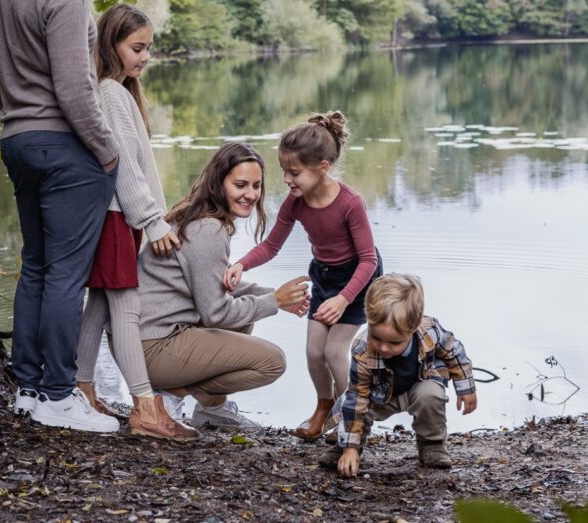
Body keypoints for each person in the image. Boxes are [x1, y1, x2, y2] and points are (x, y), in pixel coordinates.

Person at [0, 0, 120, 432]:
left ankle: (29, 390)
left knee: (35, 267)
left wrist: (18, 117)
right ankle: (60, 395)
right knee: (65, 275)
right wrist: (107, 150)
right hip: (65, 147)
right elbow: (75, 88)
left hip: (18, 139)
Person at [72, 4, 197, 442]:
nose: (145, 57)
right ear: (112, 46)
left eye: (148, 48)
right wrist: (152, 220)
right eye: (137, 48)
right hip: (117, 215)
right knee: (126, 306)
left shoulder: (120, 92)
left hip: (119, 216)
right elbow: (122, 164)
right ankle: (144, 407)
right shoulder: (110, 92)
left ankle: (82, 388)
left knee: (100, 304)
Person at [223, 112, 383, 440]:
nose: (286, 179)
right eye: (284, 170)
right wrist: (241, 264)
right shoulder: (295, 202)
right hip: (324, 277)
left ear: (322, 167)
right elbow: (271, 246)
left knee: (334, 352)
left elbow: (368, 259)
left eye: (294, 172)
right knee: (314, 352)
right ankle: (324, 408)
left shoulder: (350, 203)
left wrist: (344, 299)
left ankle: (352, 415)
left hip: (358, 281)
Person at [137, 142, 311, 429]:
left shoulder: (202, 217)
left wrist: (275, 296)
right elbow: (216, 314)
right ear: (219, 183)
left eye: (256, 186)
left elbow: (220, 286)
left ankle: (212, 409)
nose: (251, 194)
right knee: (272, 362)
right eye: (240, 185)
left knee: (244, 318)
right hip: (154, 348)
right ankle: (170, 395)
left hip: (153, 339)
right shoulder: (208, 230)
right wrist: (274, 302)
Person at [321, 273, 477, 476]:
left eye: (394, 342)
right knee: (353, 404)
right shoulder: (362, 348)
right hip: (379, 394)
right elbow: (357, 397)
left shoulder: (429, 331)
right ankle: (348, 448)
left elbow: (454, 352)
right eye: (377, 338)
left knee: (430, 395)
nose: (384, 348)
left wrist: (466, 389)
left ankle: (432, 444)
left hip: (421, 383)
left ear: (413, 328)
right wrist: (350, 447)